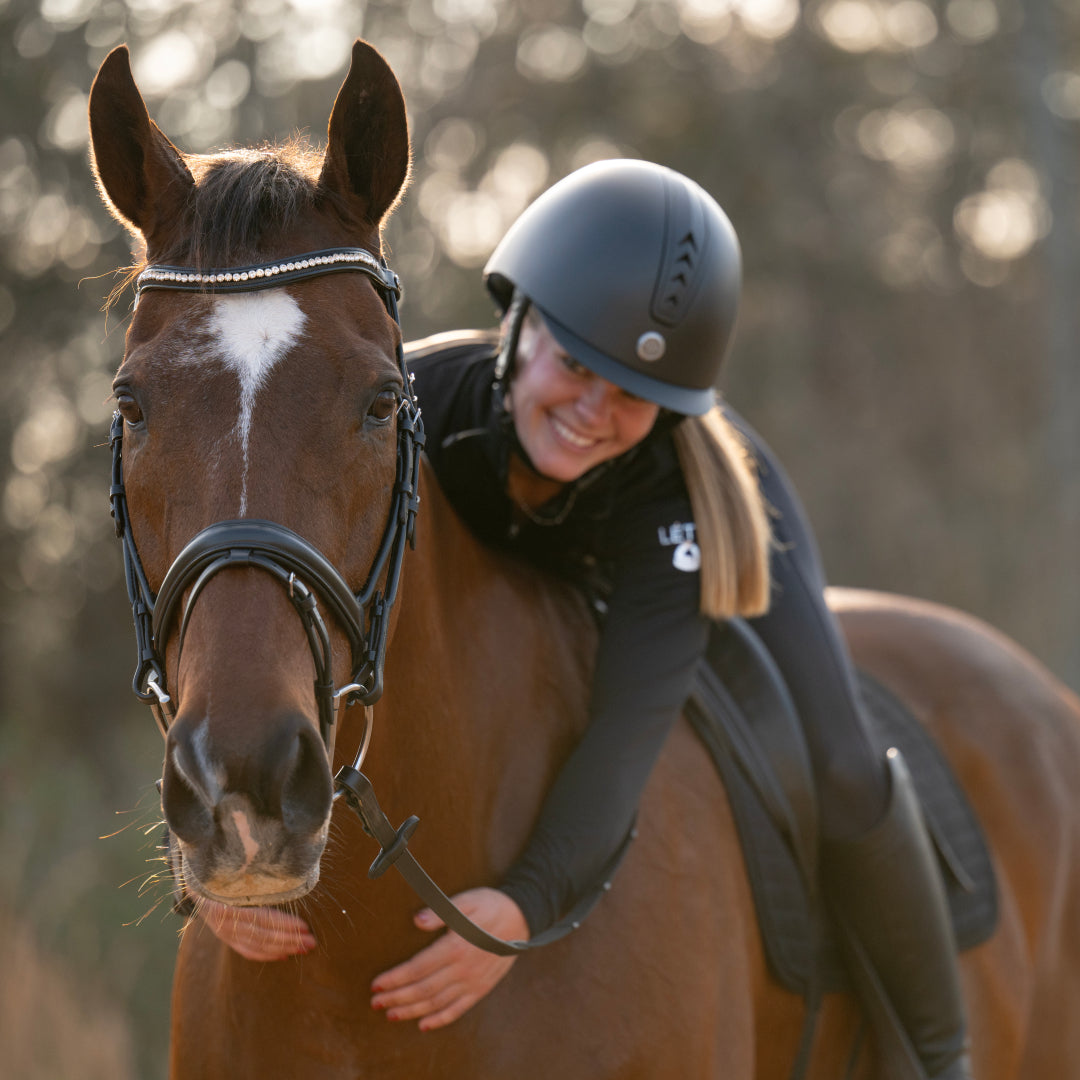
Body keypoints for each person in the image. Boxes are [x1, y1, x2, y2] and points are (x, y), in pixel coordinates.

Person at [199, 160, 972, 1079]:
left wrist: (523, 906)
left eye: (633, 395)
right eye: (574, 365)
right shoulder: (412, 407)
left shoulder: (672, 490)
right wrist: (208, 850)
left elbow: (626, 732)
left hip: (721, 526)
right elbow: (265, 629)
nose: (593, 414)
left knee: (843, 765)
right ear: (520, 325)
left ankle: (939, 1052)